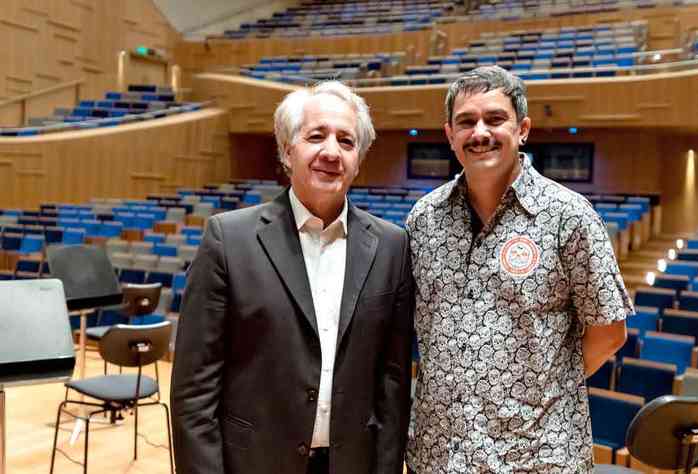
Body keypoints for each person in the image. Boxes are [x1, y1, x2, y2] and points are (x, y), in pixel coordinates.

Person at [171, 81, 414, 474]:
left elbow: (393, 384)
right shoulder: (227, 240)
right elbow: (194, 392)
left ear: (359, 158)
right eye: (316, 136)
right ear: (288, 150)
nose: (331, 152)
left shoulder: (392, 246)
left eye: (346, 141)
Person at [405, 66, 633, 473]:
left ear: (523, 128)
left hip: (537, 456)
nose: (480, 133)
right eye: (466, 122)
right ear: (449, 135)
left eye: (495, 119)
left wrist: (540, 390)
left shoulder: (569, 216)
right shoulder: (424, 219)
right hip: (440, 453)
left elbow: (609, 332)